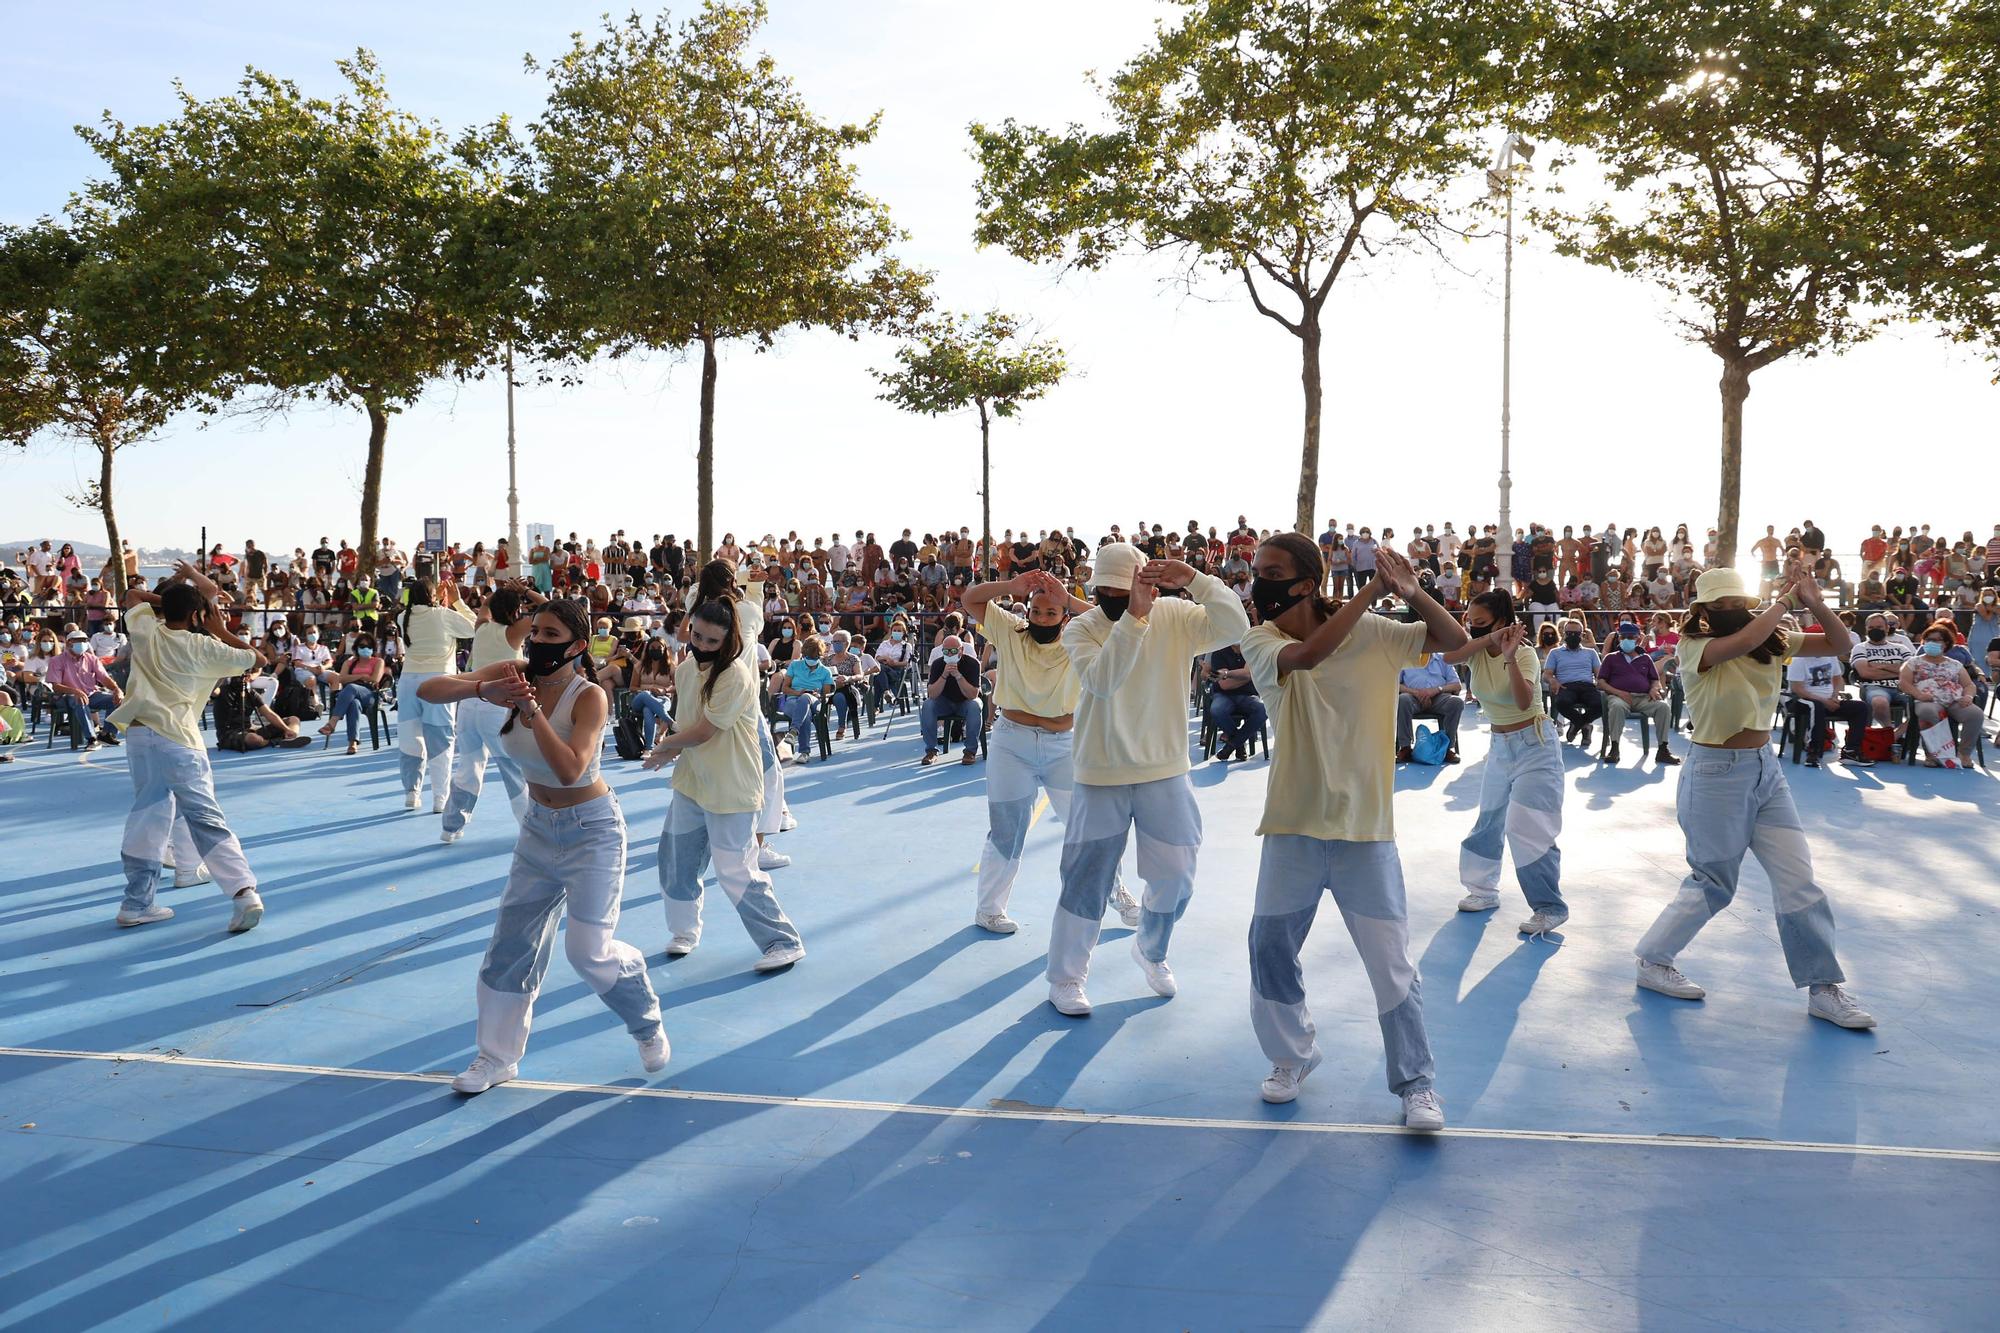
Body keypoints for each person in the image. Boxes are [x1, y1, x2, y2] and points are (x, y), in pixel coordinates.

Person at [1238, 535, 1452, 1130]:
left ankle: (1417, 1085)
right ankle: (1291, 1057)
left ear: (1306, 583)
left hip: (1365, 833)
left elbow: (1455, 644)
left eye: (1273, 572)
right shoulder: (1262, 641)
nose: (1260, 581)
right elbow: (1309, 656)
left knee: (1392, 966)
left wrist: (1413, 592)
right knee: (1269, 951)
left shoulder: (1378, 631)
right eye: (1257, 571)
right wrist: (1372, 591)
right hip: (1293, 828)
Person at [419, 599, 668, 1095]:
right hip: (537, 828)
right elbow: (431, 688)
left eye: (551, 635)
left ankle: (644, 1019)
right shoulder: (514, 672)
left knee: (589, 953)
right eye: (535, 632)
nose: (537, 642)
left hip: (591, 831)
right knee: (510, 947)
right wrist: (483, 687)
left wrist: (530, 709)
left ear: (577, 646)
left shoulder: (588, 696)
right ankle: (495, 1058)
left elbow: (571, 769)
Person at [1632, 567, 1875, 1029]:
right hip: (1714, 775)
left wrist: (1816, 603)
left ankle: (1823, 987)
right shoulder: (1695, 647)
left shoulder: (1775, 639)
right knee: (1714, 882)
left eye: (1736, 603)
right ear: (1701, 611)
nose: (1730, 611)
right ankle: (1652, 961)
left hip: (1766, 770)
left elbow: (1842, 646)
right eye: (1719, 605)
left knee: (1798, 879)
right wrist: (1784, 601)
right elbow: (1741, 642)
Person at [1046, 543, 1251, 1016]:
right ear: (1095, 588)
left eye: (1126, 589)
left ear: (1147, 584)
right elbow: (1102, 681)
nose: (1115, 597)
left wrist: (1195, 579)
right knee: (1085, 880)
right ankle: (1066, 977)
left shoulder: (1177, 615)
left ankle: (1151, 950)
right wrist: (1134, 620)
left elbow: (1235, 625)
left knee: (1177, 874)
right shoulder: (1081, 628)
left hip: (1165, 769)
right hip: (1102, 772)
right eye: (1107, 590)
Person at [962, 570, 1142, 935]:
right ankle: (989, 909)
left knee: (1090, 826)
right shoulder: (1009, 631)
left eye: (1051, 612)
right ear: (1027, 611)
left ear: (1065, 616)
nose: (1042, 618)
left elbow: (1113, 620)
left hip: (1064, 746)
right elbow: (971, 599)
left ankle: (1115, 891)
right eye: (1036, 611)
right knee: (1006, 830)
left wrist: (1068, 598)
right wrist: (1009, 588)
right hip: (1013, 742)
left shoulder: (1081, 635)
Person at [106, 562, 266, 933]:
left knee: (146, 818)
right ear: (197, 615)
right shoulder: (208, 646)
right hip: (180, 740)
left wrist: (170, 600)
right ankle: (244, 894)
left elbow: (131, 596)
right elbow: (258, 659)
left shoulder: (147, 630)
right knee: (206, 818)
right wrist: (220, 628)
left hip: (140, 737)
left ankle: (136, 903)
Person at [645, 600, 806, 969]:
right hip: (692, 783)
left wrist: (665, 746)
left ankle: (783, 941)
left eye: (711, 641)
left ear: (728, 640)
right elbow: (686, 726)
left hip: (732, 787)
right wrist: (667, 752)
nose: (700, 645)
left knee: (735, 870)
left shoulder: (735, 675)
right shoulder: (685, 671)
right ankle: (684, 932)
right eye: (696, 635)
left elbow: (703, 732)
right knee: (676, 861)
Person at [1444, 590, 1570, 935]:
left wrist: (1510, 655)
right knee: (1488, 820)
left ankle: (1549, 907)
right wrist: (1486, 637)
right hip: (1499, 746)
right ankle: (1482, 891)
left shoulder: (1527, 654)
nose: (1472, 627)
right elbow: (1447, 654)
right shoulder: (1476, 653)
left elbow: (1522, 700)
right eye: (1470, 621)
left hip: (1535, 745)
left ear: (1503, 619)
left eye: (1481, 622)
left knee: (1527, 827)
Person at [441, 582, 538, 844]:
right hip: (497, 705)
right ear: (516, 609)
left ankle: (451, 827)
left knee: (469, 767)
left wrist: (501, 592)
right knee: (513, 770)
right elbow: (552, 609)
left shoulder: (481, 628)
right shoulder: (514, 632)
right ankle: (532, 831)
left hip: (470, 702)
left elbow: (484, 606)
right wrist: (524, 591)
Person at [396, 581, 474, 812]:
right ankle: (440, 799)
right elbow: (473, 626)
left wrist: (439, 601)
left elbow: (425, 614)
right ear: (432, 595)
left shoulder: (403, 617)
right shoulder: (443, 615)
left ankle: (412, 793)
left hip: (409, 681)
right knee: (440, 741)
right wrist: (456, 601)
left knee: (410, 740)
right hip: (439, 681)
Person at [1595, 621, 1679, 766]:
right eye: (1623, 637)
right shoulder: (1611, 658)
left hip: (1643, 698)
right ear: (1619, 638)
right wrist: (1619, 693)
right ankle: (1614, 748)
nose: (1626, 640)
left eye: (1630, 636)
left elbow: (1654, 679)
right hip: (1619, 697)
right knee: (1616, 707)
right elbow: (1600, 682)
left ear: (1637, 638)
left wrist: (1654, 688)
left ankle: (1663, 749)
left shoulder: (1645, 658)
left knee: (1663, 707)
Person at [1900, 619, 1982, 767]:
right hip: (1927, 700)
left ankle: (1964, 754)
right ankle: (1932, 753)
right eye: (1930, 639)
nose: (1933, 643)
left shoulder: (1955, 664)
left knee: (1975, 714)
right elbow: (1904, 683)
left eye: (1938, 640)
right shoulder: (1913, 662)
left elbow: (1969, 684)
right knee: (1928, 712)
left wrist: (1968, 696)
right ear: (1924, 642)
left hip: (1953, 700)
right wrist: (1918, 695)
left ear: (1946, 644)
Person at [1785, 651, 1872, 768]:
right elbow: (1797, 689)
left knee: (1860, 707)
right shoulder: (1798, 660)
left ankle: (1851, 751)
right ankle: (1813, 752)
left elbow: (1838, 679)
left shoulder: (1830, 656)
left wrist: (1834, 697)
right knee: (1816, 706)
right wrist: (1824, 701)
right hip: (1802, 701)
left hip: (1828, 700)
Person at [47, 627, 123, 749]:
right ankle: (91, 738)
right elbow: (56, 686)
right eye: (78, 641)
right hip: (65, 697)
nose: (81, 643)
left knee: (118, 700)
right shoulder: (56, 660)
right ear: (68, 643)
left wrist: (116, 689)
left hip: (91, 695)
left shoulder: (92, 659)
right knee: (79, 700)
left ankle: (107, 734)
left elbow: (104, 678)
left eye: (84, 640)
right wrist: (75, 691)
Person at [318, 632, 391, 755]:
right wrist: (362, 676)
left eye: (369, 647)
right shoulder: (349, 662)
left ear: (373, 648)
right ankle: (353, 743)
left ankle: (333, 722)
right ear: (356, 648)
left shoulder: (378, 661)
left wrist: (355, 677)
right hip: (350, 695)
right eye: (362, 646)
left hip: (370, 694)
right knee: (353, 703)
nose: (365, 649)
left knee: (351, 687)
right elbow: (341, 679)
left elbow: (375, 680)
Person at [920, 634, 984, 766]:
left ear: (961, 650)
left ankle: (970, 751)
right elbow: (932, 694)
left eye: (953, 651)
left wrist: (958, 676)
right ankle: (931, 751)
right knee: (927, 705)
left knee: (974, 705)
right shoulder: (938, 664)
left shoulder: (972, 663)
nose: (950, 654)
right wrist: (944, 675)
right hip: (945, 703)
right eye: (946, 651)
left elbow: (973, 694)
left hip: (965, 702)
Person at [1393, 650, 1462, 763]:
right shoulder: (1405, 658)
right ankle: (1405, 747)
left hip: (1439, 697)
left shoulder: (1443, 658)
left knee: (1456, 702)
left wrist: (1436, 690)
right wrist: (1416, 693)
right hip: (1413, 697)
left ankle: (1448, 747)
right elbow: (1395, 683)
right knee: (1402, 700)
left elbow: (1456, 685)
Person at [1203, 641, 1268, 762]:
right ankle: (1239, 744)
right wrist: (1246, 676)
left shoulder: (1251, 649)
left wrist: (1231, 674)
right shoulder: (1219, 651)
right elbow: (1225, 685)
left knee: (1262, 710)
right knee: (1217, 710)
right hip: (1224, 695)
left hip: (1247, 695)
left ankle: (1232, 745)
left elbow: (1247, 674)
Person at [1543, 620, 1603, 747]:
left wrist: (1602, 683)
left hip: (1587, 686)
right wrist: (1553, 681)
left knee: (1601, 704)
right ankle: (1584, 725)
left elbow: (1599, 674)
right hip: (1566, 686)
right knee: (1561, 703)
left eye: (1576, 634)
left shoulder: (1591, 653)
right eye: (1569, 633)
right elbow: (1547, 674)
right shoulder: (1555, 653)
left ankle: (1577, 725)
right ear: (1564, 634)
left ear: (1582, 635)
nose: (1573, 636)